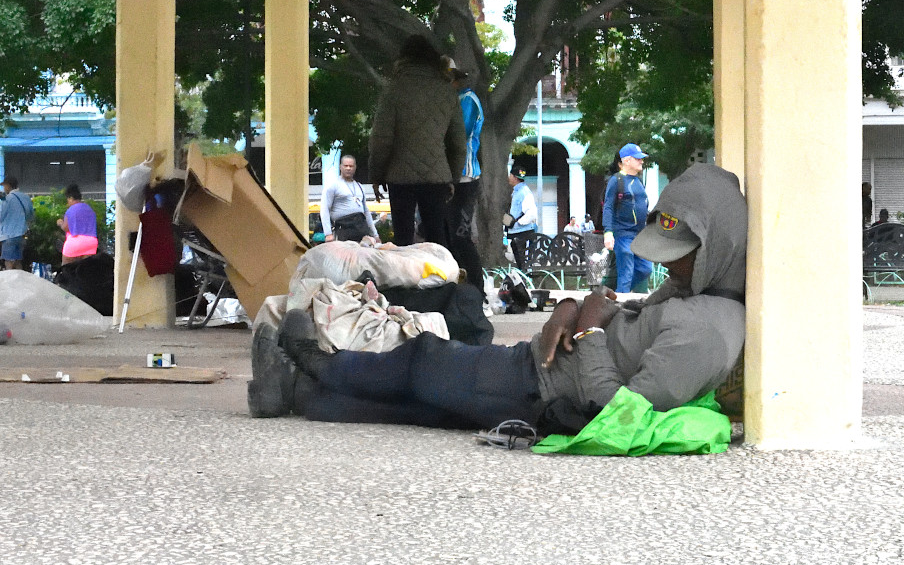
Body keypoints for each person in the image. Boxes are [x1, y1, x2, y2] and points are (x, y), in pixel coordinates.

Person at [251, 163, 747, 436]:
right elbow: (623, 319)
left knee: (424, 360)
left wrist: (591, 328)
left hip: (540, 390)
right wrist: (573, 309)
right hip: (539, 373)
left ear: (720, 246)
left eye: (683, 255)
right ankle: (293, 395)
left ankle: (312, 361)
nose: (671, 265)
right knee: (419, 407)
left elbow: (613, 418)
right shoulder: (695, 289)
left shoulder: (707, 332)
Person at [370, 35, 466, 247]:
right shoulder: (447, 92)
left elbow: (381, 138)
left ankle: (405, 279)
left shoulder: (393, 90)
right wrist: (453, 178)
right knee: (437, 240)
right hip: (437, 177)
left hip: (400, 177)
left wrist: (377, 175)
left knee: (403, 239)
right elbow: (458, 143)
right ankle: (441, 279)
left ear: (403, 59)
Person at [443, 57, 484, 281]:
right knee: (451, 236)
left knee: (461, 236)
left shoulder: (466, 100)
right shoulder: (453, 99)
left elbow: (461, 133)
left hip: (465, 175)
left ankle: (476, 286)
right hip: (451, 175)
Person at [603, 143, 652, 293]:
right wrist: (608, 233)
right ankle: (620, 301)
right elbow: (608, 207)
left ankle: (616, 293)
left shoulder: (638, 182)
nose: (641, 161)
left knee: (646, 268)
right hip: (622, 233)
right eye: (638, 159)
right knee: (626, 269)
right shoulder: (616, 180)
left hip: (639, 234)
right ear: (626, 161)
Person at [319, 154, 378, 243]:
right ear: (340, 167)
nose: (348, 168)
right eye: (345, 166)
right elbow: (324, 209)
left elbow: (366, 211)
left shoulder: (359, 186)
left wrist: (375, 234)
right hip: (343, 229)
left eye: (351, 166)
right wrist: (328, 233)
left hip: (361, 228)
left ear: (355, 167)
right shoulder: (333, 185)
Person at [503, 165, 538, 266]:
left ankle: (523, 278)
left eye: (510, 175)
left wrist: (517, 223)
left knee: (522, 261)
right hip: (517, 231)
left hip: (522, 232)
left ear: (515, 177)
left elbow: (532, 212)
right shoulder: (517, 191)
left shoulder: (524, 192)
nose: (509, 177)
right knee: (519, 260)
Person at [57, 183, 98, 264]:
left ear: (71, 198)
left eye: (68, 200)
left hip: (75, 243)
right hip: (91, 243)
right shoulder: (89, 209)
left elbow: (66, 227)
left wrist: (60, 223)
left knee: (66, 269)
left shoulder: (71, 210)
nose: (68, 202)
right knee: (86, 270)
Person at [0, 176, 35, 271]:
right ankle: (20, 284)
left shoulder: (7, 199)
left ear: (8, 185)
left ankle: (11, 285)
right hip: (22, 235)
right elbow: (31, 216)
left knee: (9, 262)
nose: (4, 188)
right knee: (18, 261)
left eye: (4, 186)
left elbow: (1, 216)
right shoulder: (26, 197)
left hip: (9, 236)